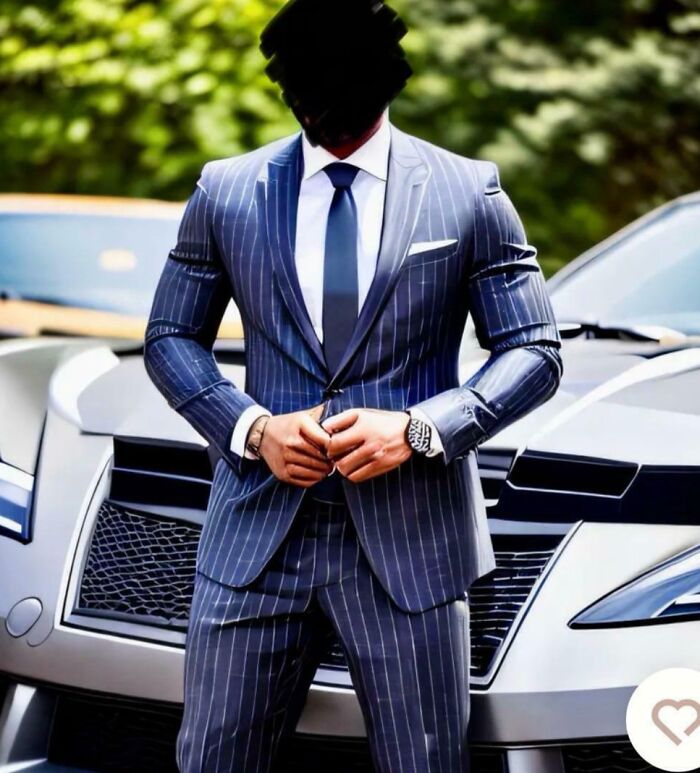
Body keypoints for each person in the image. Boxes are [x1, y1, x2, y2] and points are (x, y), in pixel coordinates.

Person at [143, 0, 564, 770]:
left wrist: (420, 428)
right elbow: (171, 337)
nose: (321, 112)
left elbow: (535, 350)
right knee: (211, 757)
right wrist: (251, 427)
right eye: (303, 95)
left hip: (411, 548)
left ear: (384, 85)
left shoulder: (468, 193)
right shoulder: (226, 191)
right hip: (254, 541)